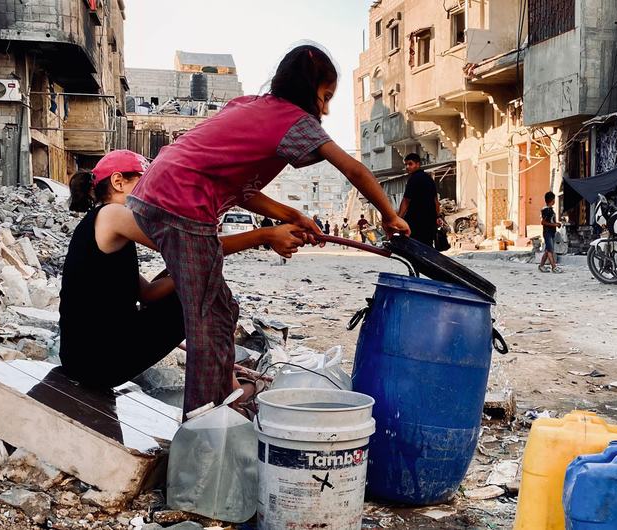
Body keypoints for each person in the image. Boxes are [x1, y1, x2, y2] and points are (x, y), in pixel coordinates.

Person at [124, 44, 409, 413]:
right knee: (207, 316)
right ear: (309, 90)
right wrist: (388, 214)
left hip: (158, 192)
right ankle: (205, 418)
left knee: (221, 307)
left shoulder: (246, 106)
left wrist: (290, 213)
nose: (325, 109)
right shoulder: (296, 121)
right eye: (324, 97)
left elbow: (240, 190)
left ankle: (224, 392)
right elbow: (353, 169)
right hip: (182, 202)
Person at [59, 150, 307, 392]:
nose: (154, 194)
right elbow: (195, 248)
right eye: (147, 183)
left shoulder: (101, 226)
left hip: (80, 359)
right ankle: (226, 391)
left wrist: (187, 271)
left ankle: (227, 382)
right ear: (118, 181)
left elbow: (148, 293)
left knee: (198, 283)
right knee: (204, 297)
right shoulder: (112, 214)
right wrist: (264, 235)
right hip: (97, 361)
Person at [397, 153, 440, 247]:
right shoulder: (429, 179)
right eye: (406, 164)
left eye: (410, 164)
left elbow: (406, 201)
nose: (407, 167)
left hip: (416, 221)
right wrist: (437, 217)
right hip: (430, 221)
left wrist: (398, 218)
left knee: (415, 247)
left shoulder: (413, 179)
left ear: (417, 164)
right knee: (427, 246)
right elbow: (436, 201)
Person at [540, 191, 562, 273]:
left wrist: (556, 224)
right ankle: (554, 267)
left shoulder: (551, 210)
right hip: (547, 232)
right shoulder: (546, 210)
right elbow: (543, 222)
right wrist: (555, 225)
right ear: (552, 200)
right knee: (550, 250)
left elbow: (552, 221)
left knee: (547, 250)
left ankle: (541, 266)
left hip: (552, 232)